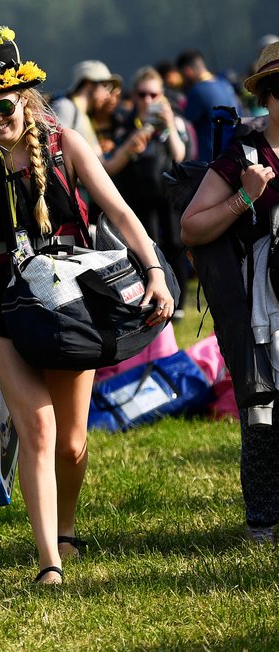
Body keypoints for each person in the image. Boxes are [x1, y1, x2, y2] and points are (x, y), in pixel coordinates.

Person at [0, 25, 174, 585]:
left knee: (72, 445)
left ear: (24, 99)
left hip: (72, 302)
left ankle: (67, 531)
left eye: (3, 107)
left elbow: (121, 213)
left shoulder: (68, 145)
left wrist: (154, 273)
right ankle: (49, 560)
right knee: (40, 430)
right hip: (4, 312)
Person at [180, 40, 279, 544]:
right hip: (264, 308)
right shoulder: (243, 156)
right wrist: (247, 196)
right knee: (264, 415)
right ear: (267, 96)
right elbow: (191, 228)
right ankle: (263, 521)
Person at [110, 66, 190, 317]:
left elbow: (180, 155)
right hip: (139, 195)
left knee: (175, 243)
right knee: (149, 245)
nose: (148, 100)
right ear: (134, 95)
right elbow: (114, 163)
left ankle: (179, 303)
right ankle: (154, 296)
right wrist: (136, 138)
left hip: (168, 193)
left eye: (154, 95)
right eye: (142, 94)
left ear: (162, 96)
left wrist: (168, 127)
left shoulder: (173, 120)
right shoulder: (125, 122)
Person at [176, 49, 244, 162]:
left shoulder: (197, 91)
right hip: (235, 155)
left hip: (211, 160)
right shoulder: (225, 85)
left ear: (187, 71)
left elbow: (187, 121)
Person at [52, 60, 121, 159]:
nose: (107, 93)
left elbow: (104, 165)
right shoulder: (65, 107)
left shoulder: (86, 116)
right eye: (105, 85)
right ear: (88, 84)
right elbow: (54, 151)